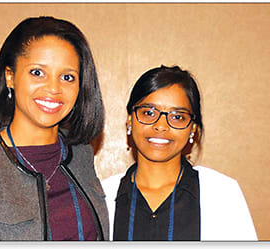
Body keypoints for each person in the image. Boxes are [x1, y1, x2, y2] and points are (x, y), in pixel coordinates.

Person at [0, 16, 108, 241]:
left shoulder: (81, 153)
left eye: (67, 77)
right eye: (38, 72)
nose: (53, 88)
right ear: (10, 77)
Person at [102, 65, 257, 241]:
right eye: (148, 113)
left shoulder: (222, 194)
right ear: (130, 121)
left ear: (193, 129)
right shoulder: (102, 197)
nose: (161, 125)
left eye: (177, 116)